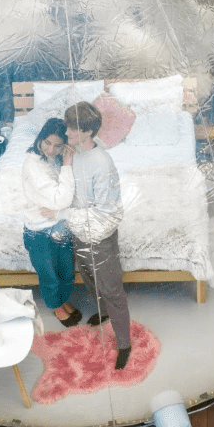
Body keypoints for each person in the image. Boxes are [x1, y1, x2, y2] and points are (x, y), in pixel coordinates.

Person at [63, 100, 132, 370]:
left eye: (73, 129)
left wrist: (66, 216)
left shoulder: (102, 163)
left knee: (111, 289)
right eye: (68, 127)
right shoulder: (73, 152)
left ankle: (124, 344)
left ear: (88, 132)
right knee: (90, 279)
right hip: (79, 231)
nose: (67, 132)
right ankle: (102, 313)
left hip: (99, 235)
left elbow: (107, 212)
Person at [21, 117, 81, 328]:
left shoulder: (56, 158)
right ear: (40, 137)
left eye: (57, 145)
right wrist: (67, 164)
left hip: (60, 225)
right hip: (39, 232)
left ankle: (62, 299)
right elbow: (61, 199)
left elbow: (70, 196)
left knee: (66, 270)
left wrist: (60, 212)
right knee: (50, 275)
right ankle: (56, 305)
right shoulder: (33, 165)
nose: (50, 149)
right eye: (47, 142)